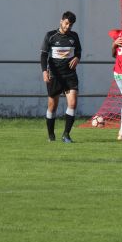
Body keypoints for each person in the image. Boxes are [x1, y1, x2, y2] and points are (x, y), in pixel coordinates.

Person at [40, 11, 82, 143]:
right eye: (66, 23)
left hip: (70, 75)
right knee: (52, 106)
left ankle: (66, 135)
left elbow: (79, 51)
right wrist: (44, 72)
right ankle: (51, 135)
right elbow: (43, 55)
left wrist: (77, 58)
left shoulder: (74, 36)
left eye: (71, 24)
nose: (68, 26)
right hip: (55, 75)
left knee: (73, 103)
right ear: (61, 21)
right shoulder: (50, 36)